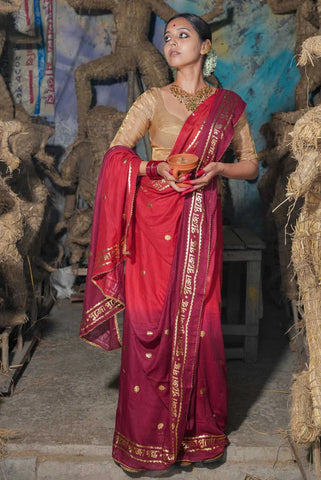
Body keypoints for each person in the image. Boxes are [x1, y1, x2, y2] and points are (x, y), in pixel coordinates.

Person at [79, 12, 259, 474]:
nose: (173, 43)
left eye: (183, 36)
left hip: (201, 223)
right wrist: (155, 169)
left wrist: (218, 170)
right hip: (152, 225)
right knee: (149, 324)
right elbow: (116, 157)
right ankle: (144, 444)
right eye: (168, 38)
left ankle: (199, 438)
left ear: (205, 45)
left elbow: (251, 167)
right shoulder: (152, 100)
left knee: (200, 321)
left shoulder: (229, 106)